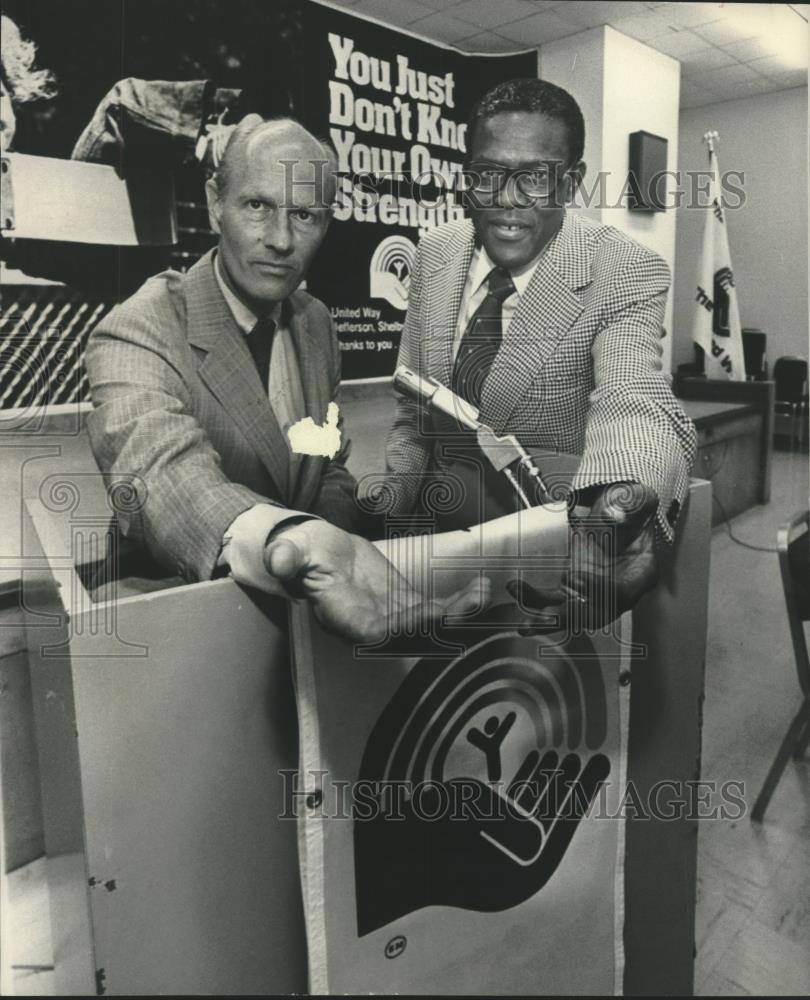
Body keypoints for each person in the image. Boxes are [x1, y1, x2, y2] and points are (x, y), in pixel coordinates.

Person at [84, 116, 485, 642]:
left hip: (308, 604)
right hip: (179, 617)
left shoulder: (315, 323)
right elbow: (159, 471)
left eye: (305, 216)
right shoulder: (140, 327)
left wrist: (355, 530)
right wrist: (294, 537)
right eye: (257, 206)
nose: (280, 239)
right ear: (214, 204)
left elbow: (323, 465)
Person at [386, 78, 697, 626]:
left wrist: (624, 491)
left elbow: (634, 396)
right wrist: (386, 512)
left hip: (551, 569)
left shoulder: (623, 270)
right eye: (489, 174)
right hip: (429, 553)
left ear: (572, 183)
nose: (508, 199)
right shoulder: (435, 252)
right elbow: (415, 415)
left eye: (535, 177)